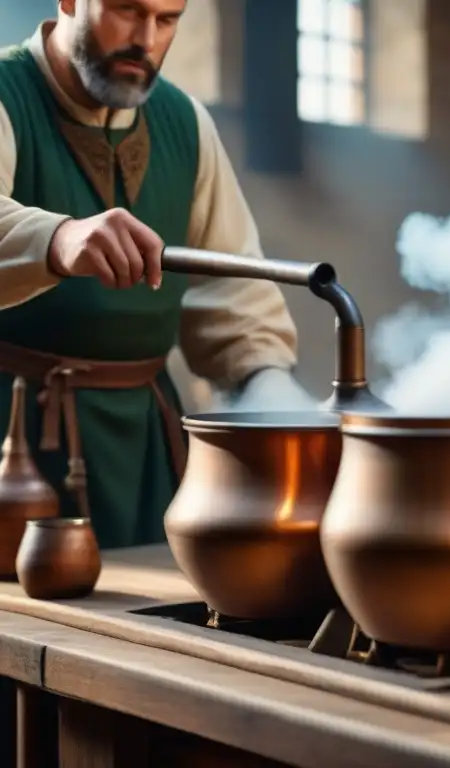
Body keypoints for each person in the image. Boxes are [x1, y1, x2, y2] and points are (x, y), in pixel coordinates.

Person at [0, 0, 317, 549]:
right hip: (13, 440)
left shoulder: (186, 122)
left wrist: (282, 405)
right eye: (127, 10)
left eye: (168, 19)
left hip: (148, 439)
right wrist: (56, 237)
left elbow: (234, 301)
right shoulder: (8, 93)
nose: (146, 40)